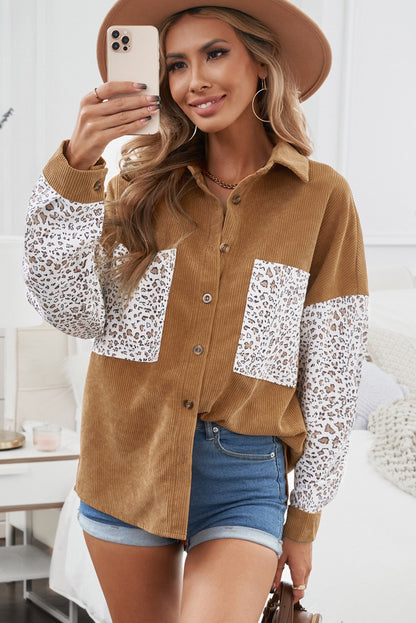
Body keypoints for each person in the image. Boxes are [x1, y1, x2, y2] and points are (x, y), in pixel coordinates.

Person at [23, 1, 368, 621]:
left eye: (215, 53)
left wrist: (305, 517)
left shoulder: (322, 197)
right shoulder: (138, 186)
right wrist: (77, 165)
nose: (193, 81)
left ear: (261, 64)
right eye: (176, 64)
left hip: (245, 473)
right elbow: (71, 311)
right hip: (128, 453)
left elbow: (333, 368)